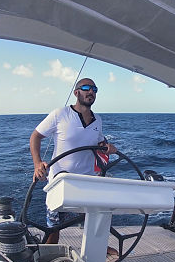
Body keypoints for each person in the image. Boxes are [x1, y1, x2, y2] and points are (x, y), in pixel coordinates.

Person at [30, 78, 117, 245]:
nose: (90, 92)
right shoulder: (60, 114)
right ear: (76, 92)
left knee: (96, 223)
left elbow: (98, 142)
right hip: (61, 182)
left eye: (94, 89)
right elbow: (36, 136)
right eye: (86, 88)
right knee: (54, 228)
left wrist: (107, 146)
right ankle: (48, 257)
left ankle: (99, 253)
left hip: (87, 181)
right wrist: (37, 163)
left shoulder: (97, 119)